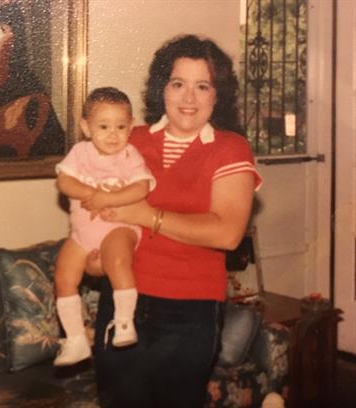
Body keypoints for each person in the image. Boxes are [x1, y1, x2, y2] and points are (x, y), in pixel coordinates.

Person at [89, 35, 263, 407]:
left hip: (189, 309)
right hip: (121, 302)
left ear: (218, 95)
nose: (189, 98)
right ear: (161, 89)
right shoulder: (129, 140)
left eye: (203, 86)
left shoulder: (230, 148)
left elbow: (228, 233)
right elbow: (93, 204)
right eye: (178, 84)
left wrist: (146, 215)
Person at [53, 87, 155, 367]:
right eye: (104, 126)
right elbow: (64, 182)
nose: (113, 134)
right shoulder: (80, 152)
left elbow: (141, 188)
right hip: (82, 234)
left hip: (117, 227)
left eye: (121, 127)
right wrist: (89, 193)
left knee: (118, 261)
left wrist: (107, 198)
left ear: (130, 127)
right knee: (63, 275)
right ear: (86, 127)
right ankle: (75, 340)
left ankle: (124, 322)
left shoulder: (129, 156)